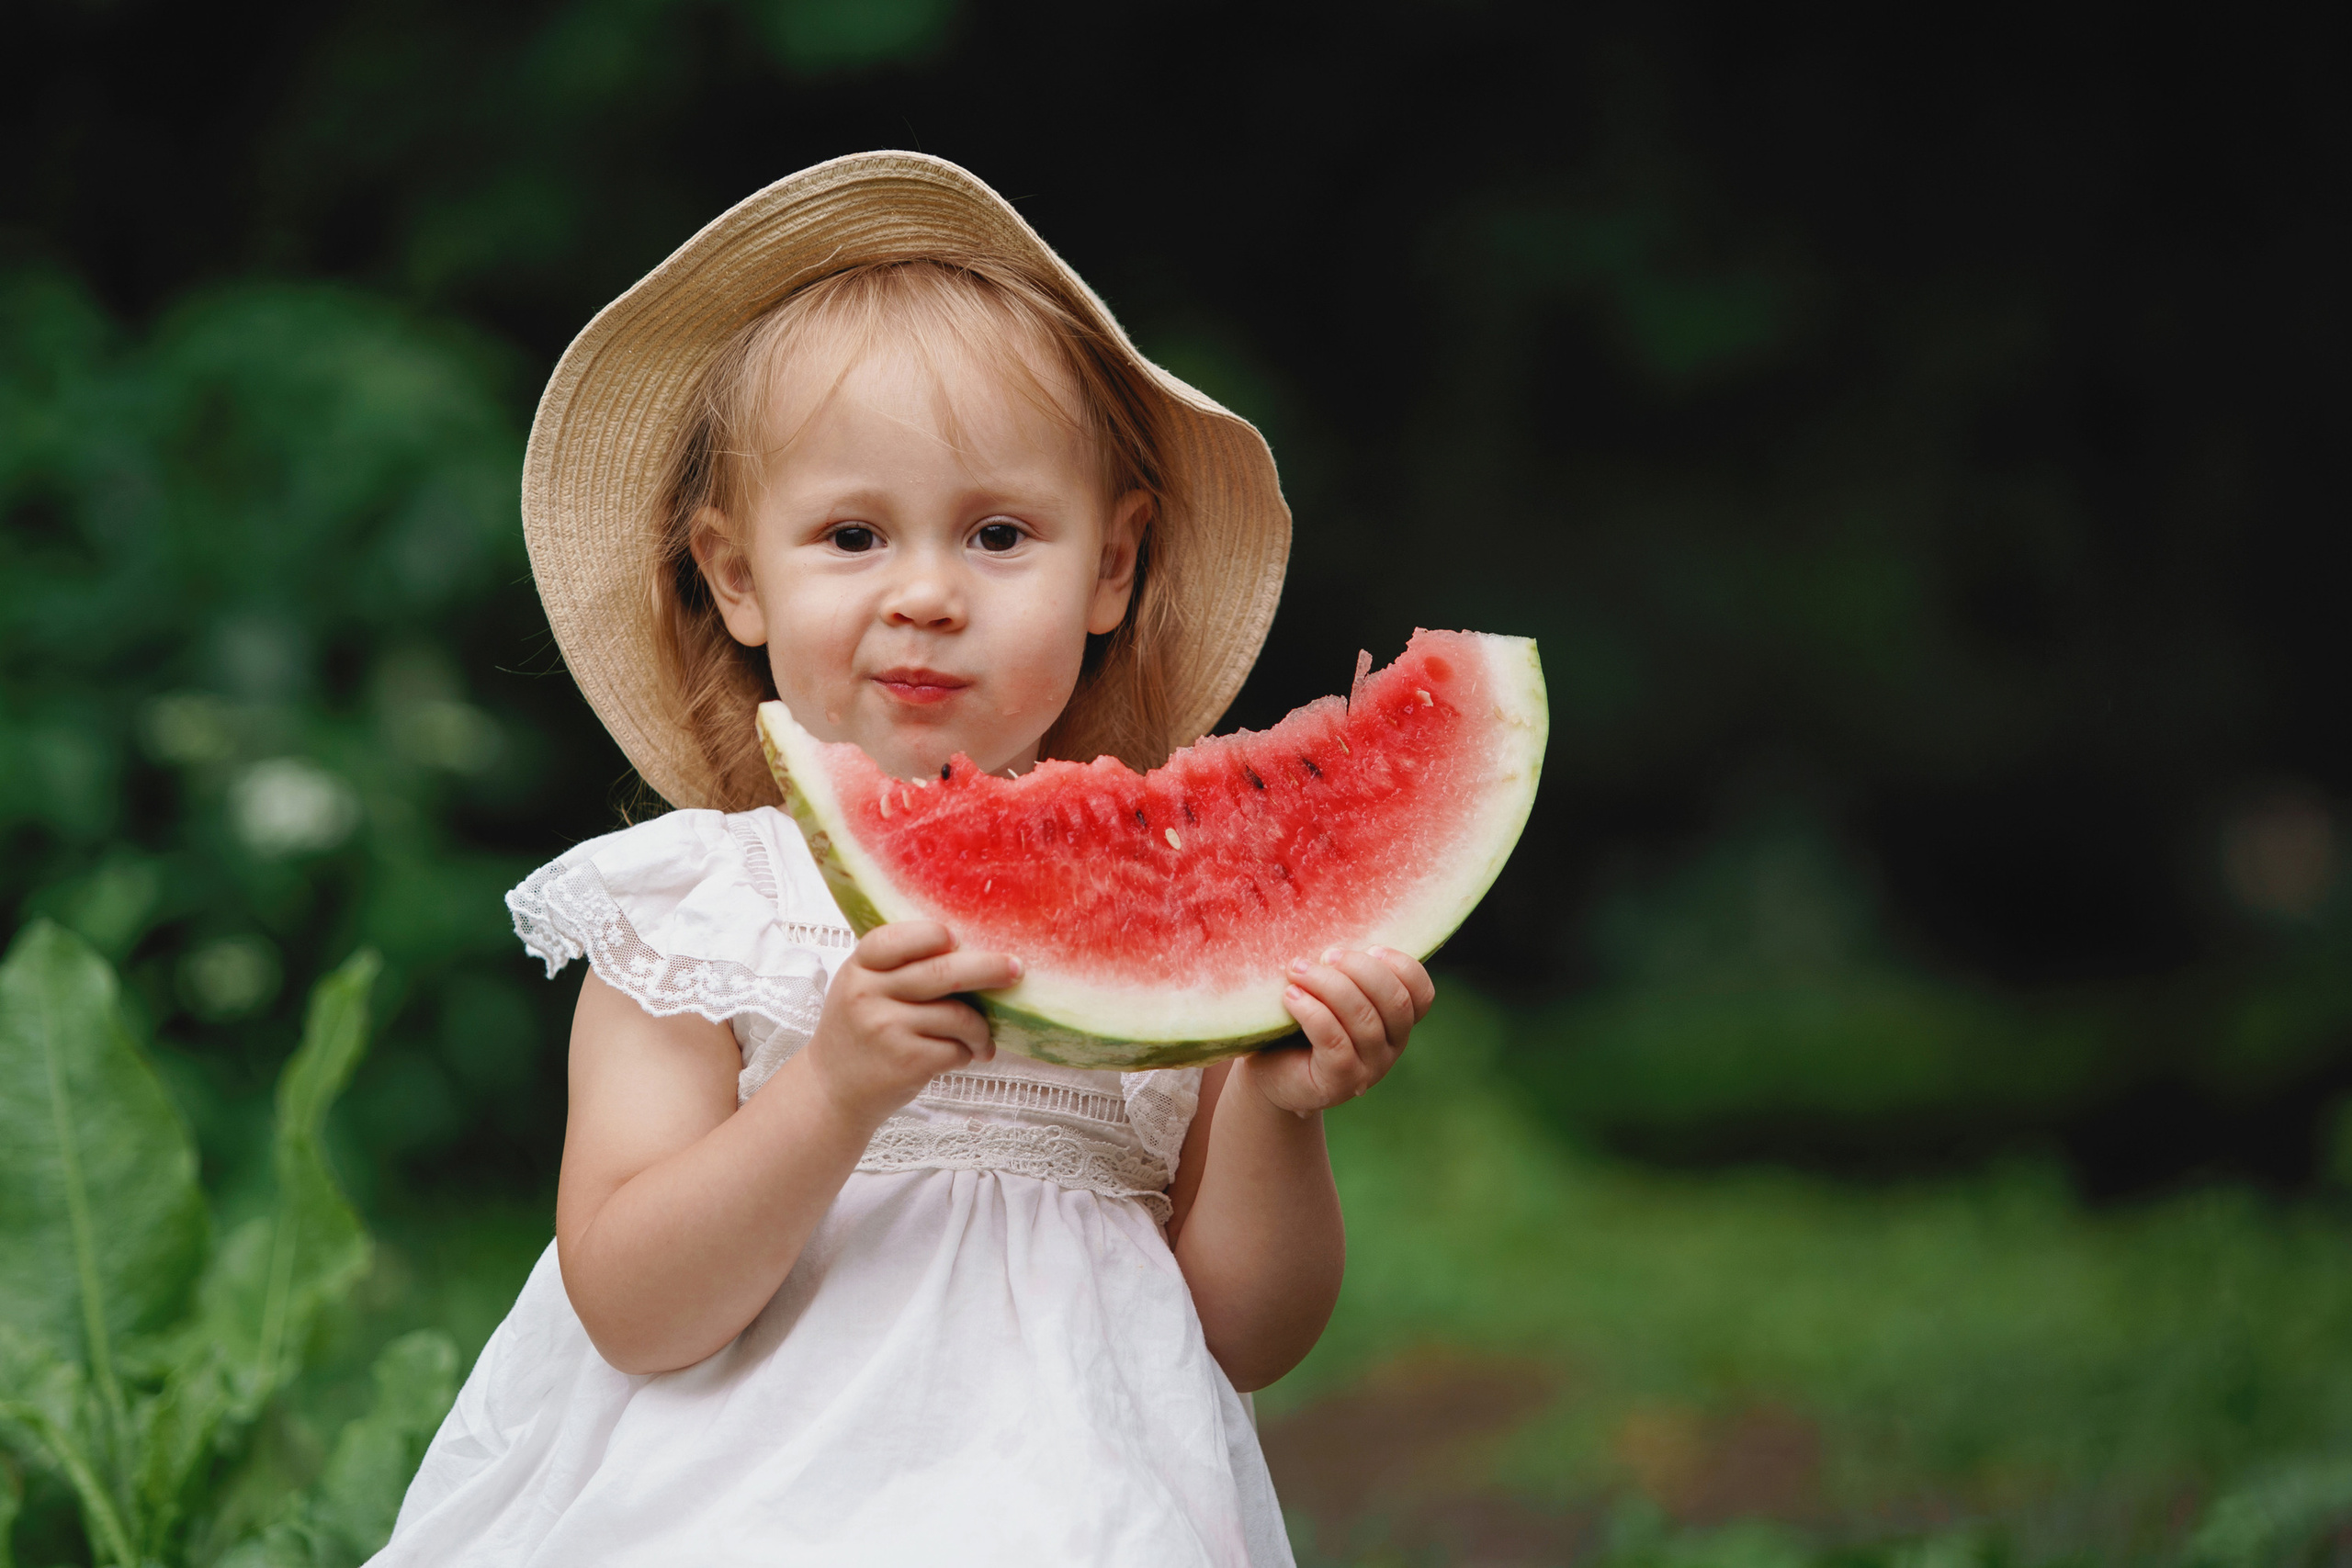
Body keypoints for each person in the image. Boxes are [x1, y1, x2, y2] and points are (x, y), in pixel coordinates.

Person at [372, 152, 1432, 1568]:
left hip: (1079, 1510)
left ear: (1111, 568)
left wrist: (1283, 1109)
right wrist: (831, 1090)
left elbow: (1247, 1331)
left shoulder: (1180, 915)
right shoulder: (700, 910)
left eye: (1000, 534)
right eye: (852, 535)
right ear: (737, 577)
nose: (925, 594)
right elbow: (633, 1304)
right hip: (734, 1514)